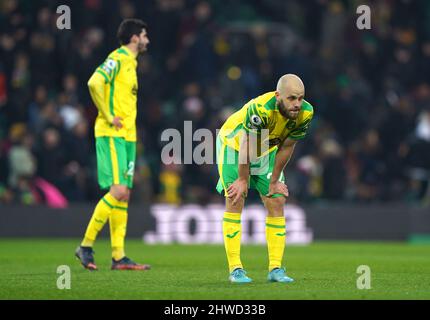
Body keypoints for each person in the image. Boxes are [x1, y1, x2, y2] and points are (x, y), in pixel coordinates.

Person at [216, 74, 314, 283]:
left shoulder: (306, 113)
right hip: (235, 146)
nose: (297, 104)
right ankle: (236, 269)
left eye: (300, 98)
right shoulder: (260, 110)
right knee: (235, 198)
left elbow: (287, 146)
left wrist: (275, 180)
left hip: (266, 149)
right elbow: (246, 145)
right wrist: (243, 179)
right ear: (278, 95)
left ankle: (276, 269)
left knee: (277, 198)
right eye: (292, 98)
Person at [75, 19, 150, 271]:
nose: (147, 39)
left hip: (127, 137)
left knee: (124, 195)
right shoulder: (116, 58)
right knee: (117, 191)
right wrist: (108, 115)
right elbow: (94, 82)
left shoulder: (131, 62)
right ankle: (85, 246)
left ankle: (118, 256)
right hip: (111, 133)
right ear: (134, 38)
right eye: (144, 34)